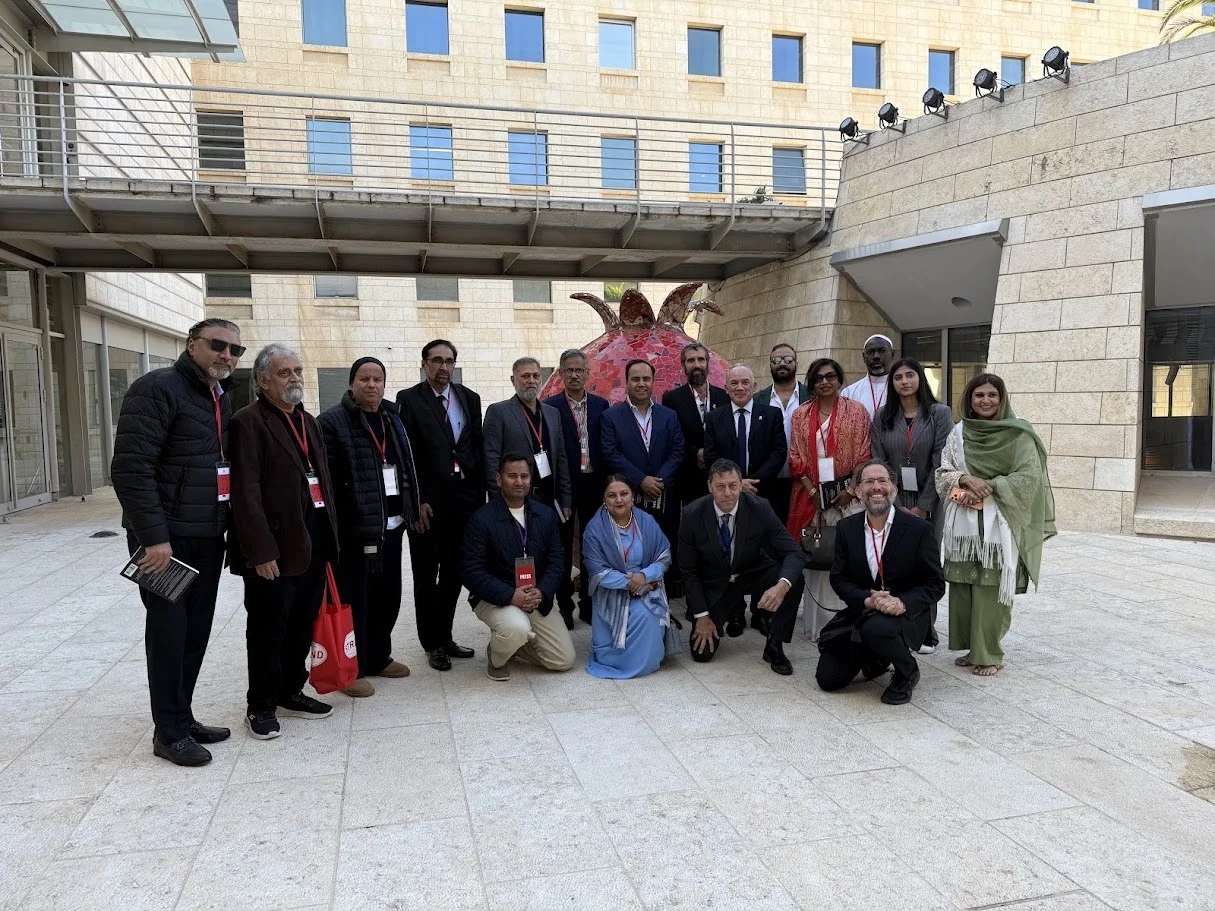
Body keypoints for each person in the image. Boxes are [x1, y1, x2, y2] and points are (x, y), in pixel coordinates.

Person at [111, 317, 243, 767]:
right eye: (218, 345)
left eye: (235, 350)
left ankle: (182, 718)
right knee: (169, 636)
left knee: (195, 633)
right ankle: (168, 733)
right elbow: (131, 469)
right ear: (192, 345)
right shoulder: (157, 388)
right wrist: (153, 537)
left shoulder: (219, 395)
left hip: (206, 535)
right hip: (166, 542)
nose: (227, 355)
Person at [229, 344, 339, 740]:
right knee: (267, 629)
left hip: (312, 539)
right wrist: (260, 551)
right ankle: (260, 706)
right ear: (263, 381)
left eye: (297, 370)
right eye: (284, 372)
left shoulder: (306, 420)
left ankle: (290, 691)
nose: (294, 378)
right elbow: (245, 493)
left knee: (301, 624)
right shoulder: (248, 422)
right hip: (274, 547)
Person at [935, 374, 1055, 677]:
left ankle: (989, 653)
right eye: (979, 395)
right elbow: (942, 474)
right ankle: (972, 647)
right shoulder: (958, 433)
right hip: (963, 523)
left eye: (992, 395)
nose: (985, 401)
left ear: (1002, 399)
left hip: (998, 523)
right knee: (964, 586)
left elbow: (1029, 477)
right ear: (969, 400)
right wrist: (964, 479)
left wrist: (988, 485)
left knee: (991, 588)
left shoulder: (1018, 434)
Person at [318, 357, 420, 698]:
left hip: (392, 526)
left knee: (387, 597)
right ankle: (353, 669)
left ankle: (378, 656)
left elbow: (405, 466)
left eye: (378, 379)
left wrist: (413, 505)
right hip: (356, 531)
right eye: (364, 378)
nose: (372, 384)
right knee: (356, 600)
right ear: (352, 383)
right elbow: (329, 482)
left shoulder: (392, 418)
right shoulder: (332, 422)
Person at [819, 462, 945, 704]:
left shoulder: (919, 529)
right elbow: (839, 578)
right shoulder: (846, 528)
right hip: (864, 611)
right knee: (828, 679)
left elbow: (936, 584)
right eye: (868, 482)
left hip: (905, 614)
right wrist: (866, 599)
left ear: (894, 488)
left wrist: (901, 602)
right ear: (858, 491)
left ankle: (907, 671)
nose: (876, 487)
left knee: (877, 629)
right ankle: (877, 656)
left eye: (882, 480)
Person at [397, 339, 483, 672]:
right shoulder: (408, 400)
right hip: (428, 507)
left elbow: (474, 446)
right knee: (425, 576)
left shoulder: (469, 398)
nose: (443, 367)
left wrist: (479, 498)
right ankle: (431, 643)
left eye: (448, 361)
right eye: (436, 360)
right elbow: (406, 455)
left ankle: (445, 637)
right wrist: (416, 500)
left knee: (453, 574)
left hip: (464, 503)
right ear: (424, 364)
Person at [678, 459, 806, 674]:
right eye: (720, 486)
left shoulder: (759, 507)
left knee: (793, 579)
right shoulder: (692, 514)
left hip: (751, 572)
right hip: (715, 583)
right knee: (702, 654)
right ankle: (721, 617)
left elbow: (794, 553)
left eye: (733, 485)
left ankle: (774, 644)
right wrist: (702, 616)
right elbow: (688, 571)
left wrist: (781, 587)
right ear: (710, 487)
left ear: (741, 485)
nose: (727, 493)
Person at [462, 453, 575, 681]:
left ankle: (512, 644)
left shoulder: (545, 515)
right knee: (516, 628)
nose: (519, 482)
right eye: (512, 476)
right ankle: (497, 656)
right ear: (499, 479)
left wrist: (542, 591)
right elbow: (471, 572)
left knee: (563, 660)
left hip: (535, 596)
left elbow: (557, 561)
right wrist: (510, 595)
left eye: (524, 476)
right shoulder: (481, 519)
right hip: (495, 597)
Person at [870, 357, 954, 653]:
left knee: (925, 565)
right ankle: (898, 625)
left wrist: (922, 507)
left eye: (910, 375)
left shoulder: (939, 413)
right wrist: (894, 502)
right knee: (895, 563)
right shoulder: (882, 416)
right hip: (892, 500)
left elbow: (940, 462)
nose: (904, 381)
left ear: (920, 378)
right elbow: (878, 461)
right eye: (898, 377)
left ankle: (926, 630)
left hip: (930, 499)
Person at [787, 358, 871, 641]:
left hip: (850, 497)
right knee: (819, 552)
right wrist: (813, 493)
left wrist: (851, 491)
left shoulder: (857, 411)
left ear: (839, 379)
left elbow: (864, 455)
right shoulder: (800, 414)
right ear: (811, 383)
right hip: (811, 497)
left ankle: (850, 622)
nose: (824, 382)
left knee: (848, 558)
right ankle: (820, 626)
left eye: (830, 376)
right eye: (818, 378)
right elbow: (795, 458)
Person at [703, 364, 788, 636]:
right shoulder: (714, 418)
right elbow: (711, 457)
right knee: (731, 553)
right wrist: (737, 485)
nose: (740, 387)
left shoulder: (771, 414)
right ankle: (735, 613)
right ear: (726, 387)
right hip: (728, 498)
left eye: (745, 382)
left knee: (765, 555)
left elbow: (779, 453)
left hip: (762, 494)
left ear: (754, 386)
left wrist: (753, 482)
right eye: (734, 383)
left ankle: (762, 613)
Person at [543, 349, 610, 628]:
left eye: (578, 370)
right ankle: (564, 607)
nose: (573, 375)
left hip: (594, 484)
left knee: (592, 546)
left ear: (587, 373)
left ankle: (589, 605)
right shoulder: (550, 407)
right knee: (561, 548)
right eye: (568, 370)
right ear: (560, 373)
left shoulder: (601, 405)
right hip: (564, 487)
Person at [583, 474, 672, 679]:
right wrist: (633, 583)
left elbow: (664, 558)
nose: (619, 500)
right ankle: (616, 660)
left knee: (647, 614)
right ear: (604, 499)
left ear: (632, 496)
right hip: (612, 591)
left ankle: (646, 662)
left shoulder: (647, 521)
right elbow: (598, 572)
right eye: (612, 495)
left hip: (646, 585)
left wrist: (645, 575)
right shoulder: (594, 530)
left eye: (624, 494)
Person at [661, 343, 727, 595]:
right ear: (683, 365)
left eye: (700, 359)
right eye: (691, 360)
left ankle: (714, 578)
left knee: (714, 529)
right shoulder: (672, 399)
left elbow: (727, 435)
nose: (696, 364)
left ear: (708, 363)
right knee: (687, 530)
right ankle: (682, 580)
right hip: (686, 476)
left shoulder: (722, 396)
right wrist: (695, 453)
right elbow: (672, 436)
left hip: (716, 476)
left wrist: (710, 455)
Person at [601, 358, 685, 551]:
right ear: (627, 383)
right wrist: (641, 480)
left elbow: (678, 451)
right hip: (628, 500)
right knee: (632, 553)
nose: (641, 384)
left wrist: (659, 482)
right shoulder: (610, 417)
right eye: (635, 379)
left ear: (653, 382)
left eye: (646, 379)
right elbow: (611, 454)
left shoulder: (669, 415)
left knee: (665, 551)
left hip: (664, 499)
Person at [483, 355, 572, 535]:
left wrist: (565, 499)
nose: (531, 380)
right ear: (513, 380)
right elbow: (491, 459)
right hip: (515, 500)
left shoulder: (552, 413)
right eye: (525, 376)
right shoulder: (498, 412)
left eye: (536, 376)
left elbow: (561, 459)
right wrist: (498, 501)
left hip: (549, 500)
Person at [754, 343, 807, 525]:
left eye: (788, 360)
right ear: (770, 365)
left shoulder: (810, 396)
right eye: (776, 360)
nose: (782, 363)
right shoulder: (758, 399)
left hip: (803, 481)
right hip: (768, 481)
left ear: (796, 364)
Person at [840, 334, 895, 417]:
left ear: (892, 354)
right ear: (863, 357)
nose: (876, 356)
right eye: (870, 352)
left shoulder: (901, 390)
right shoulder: (848, 393)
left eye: (882, 351)